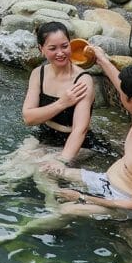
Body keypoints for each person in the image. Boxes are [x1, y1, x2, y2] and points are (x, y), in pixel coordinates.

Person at [41, 44, 132, 221]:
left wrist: (82, 197)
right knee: (47, 169)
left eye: (123, 93)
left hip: (129, 203)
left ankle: (20, 230)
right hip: (108, 181)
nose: (120, 92)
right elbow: (124, 87)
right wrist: (101, 59)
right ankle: (50, 205)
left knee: (66, 210)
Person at [22, 22, 95, 167]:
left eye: (64, 46)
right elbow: (28, 118)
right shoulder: (38, 73)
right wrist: (62, 103)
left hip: (77, 143)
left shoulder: (83, 80)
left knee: (43, 172)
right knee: (12, 165)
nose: (60, 53)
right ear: (41, 49)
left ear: (70, 45)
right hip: (45, 134)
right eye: (52, 48)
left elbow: (80, 130)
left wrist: (61, 160)